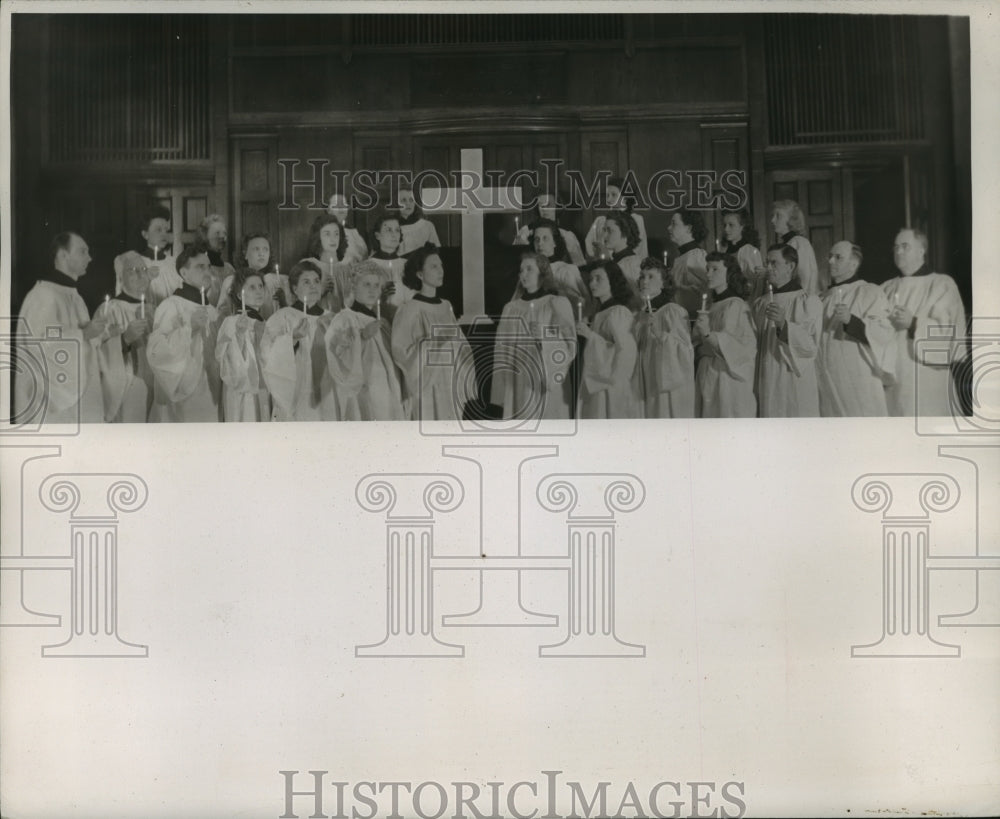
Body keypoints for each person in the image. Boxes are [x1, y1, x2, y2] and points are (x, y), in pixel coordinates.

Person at [14, 232, 106, 424]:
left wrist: (99, 334)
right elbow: (43, 337)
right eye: (83, 251)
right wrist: (83, 334)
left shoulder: (73, 295)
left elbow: (73, 334)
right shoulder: (44, 295)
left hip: (79, 393)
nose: (89, 258)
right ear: (63, 255)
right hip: (53, 401)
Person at [881, 228, 966, 416]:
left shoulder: (941, 284)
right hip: (895, 377)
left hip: (926, 377)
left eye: (905, 246)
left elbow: (949, 332)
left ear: (922, 250)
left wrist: (913, 323)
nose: (898, 251)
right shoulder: (885, 288)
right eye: (895, 247)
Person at [390, 245, 474, 421]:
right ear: (420, 274)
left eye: (441, 265)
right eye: (434, 266)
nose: (441, 271)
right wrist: (433, 343)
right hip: (427, 385)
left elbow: (460, 344)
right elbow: (401, 352)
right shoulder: (409, 309)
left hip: (449, 381)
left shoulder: (445, 305)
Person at [490, 252, 577, 421]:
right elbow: (501, 351)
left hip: (546, 381)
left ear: (542, 273)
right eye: (521, 270)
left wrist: (545, 336)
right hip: (518, 380)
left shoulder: (556, 303)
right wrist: (500, 393)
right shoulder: (510, 308)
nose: (523, 274)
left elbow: (570, 344)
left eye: (529, 269)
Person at [817, 241, 895, 417]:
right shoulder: (822, 298)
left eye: (838, 257)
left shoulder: (869, 292)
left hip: (857, 379)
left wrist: (851, 321)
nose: (830, 261)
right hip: (828, 380)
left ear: (854, 263)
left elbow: (884, 335)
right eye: (830, 256)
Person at [146, 245, 221, 422]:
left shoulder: (212, 310)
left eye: (208, 267)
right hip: (184, 392)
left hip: (212, 391)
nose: (207, 272)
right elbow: (157, 352)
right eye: (200, 267)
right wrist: (190, 327)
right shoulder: (172, 305)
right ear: (184, 273)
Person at [325, 262, 408, 421]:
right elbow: (336, 355)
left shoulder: (382, 323)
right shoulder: (345, 318)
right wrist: (362, 337)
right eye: (366, 284)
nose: (372, 290)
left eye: (376, 285)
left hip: (388, 391)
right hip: (363, 394)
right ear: (354, 286)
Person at [751, 243, 822, 417]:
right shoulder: (760, 303)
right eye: (767, 263)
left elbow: (811, 346)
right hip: (767, 377)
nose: (768, 268)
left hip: (793, 380)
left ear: (790, 266)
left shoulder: (808, 302)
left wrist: (784, 325)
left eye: (773, 263)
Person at [260, 260, 334, 422]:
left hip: (326, 388)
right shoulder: (284, 316)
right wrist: (292, 339)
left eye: (316, 281)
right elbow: (267, 354)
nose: (313, 286)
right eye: (306, 282)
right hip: (296, 388)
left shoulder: (331, 318)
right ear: (294, 289)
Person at [693, 252, 757, 418]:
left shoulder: (736, 305)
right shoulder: (712, 305)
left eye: (715, 269)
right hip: (709, 375)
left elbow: (742, 348)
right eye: (707, 269)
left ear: (730, 273)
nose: (708, 274)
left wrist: (707, 336)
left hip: (728, 379)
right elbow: (698, 344)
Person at [575, 261, 641, 419]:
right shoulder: (601, 313)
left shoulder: (618, 312)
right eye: (591, 279)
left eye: (599, 278)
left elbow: (626, 352)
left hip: (611, 387)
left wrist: (590, 336)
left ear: (613, 280)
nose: (592, 283)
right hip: (599, 384)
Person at [632, 257, 695, 418]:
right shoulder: (641, 316)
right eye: (642, 276)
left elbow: (685, 353)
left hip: (666, 387)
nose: (644, 281)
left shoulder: (672, 311)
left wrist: (661, 336)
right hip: (645, 384)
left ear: (664, 283)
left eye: (651, 277)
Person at [96, 251, 154, 423]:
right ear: (120, 278)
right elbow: (97, 354)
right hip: (127, 391)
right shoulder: (109, 309)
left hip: (157, 391)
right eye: (132, 270)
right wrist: (124, 340)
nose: (140, 274)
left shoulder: (157, 310)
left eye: (143, 269)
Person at [215, 269, 271, 422]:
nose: (259, 291)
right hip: (242, 392)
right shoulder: (232, 321)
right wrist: (239, 335)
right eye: (252, 287)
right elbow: (224, 357)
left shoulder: (265, 323)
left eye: (260, 286)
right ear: (240, 295)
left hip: (263, 390)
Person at [218, 233, 288, 319]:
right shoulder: (231, 281)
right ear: (245, 254)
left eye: (265, 249)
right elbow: (222, 315)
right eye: (256, 249)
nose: (261, 253)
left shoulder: (276, 282)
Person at [529, 218, 590, 313]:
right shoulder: (528, 271)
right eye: (536, 239)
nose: (540, 243)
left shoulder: (566, 270)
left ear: (554, 242)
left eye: (545, 238)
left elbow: (581, 306)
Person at [584, 176, 648, 259]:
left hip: (627, 265)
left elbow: (639, 249)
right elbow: (588, 243)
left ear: (625, 197)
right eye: (607, 195)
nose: (609, 200)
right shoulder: (600, 220)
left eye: (613, 195)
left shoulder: (636, 220)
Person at [514, 193, 586, 265]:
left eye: (548, 205)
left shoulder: (567, 235)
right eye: (541, 205)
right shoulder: (526, 231)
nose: (544, 209)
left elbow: (580, 266)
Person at [135, 205, 183, 307]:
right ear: (145, 234)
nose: (164, 234)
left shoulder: (174, 263)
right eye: (158, 230)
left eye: (166, 230)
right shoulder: (136, 262)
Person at [770, 200, 820, 297]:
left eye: (778, 216)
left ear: (791, 219)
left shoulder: (799, 242)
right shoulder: (788, 243)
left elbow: (805, 279)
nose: (772, 220)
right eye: (773, 216)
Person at [303, 214, 351, 313]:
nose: (333, 239)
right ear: (318, 237)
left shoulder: (348, 267)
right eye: (327, 234)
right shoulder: (309, 265)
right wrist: (320, 291)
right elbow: (301, 302)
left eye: (336, 234)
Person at [368, 212, 414, 314]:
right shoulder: (368, 266)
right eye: (388, 230)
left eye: (397, 230)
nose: (394, 234)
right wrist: (380, 298)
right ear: (377, 235)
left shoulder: (407, 264)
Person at [668, 209, 710, 317]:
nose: (669, 228)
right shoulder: (683, 256)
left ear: (689, 228)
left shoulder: (695, 255)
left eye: (674, 224)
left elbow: (705, 292)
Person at [720, 208, 765, 301]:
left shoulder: (749, 251)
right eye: (724, 225)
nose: (726, 229)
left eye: (731, 225)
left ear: (742, 226)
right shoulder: (724, 251)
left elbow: (756, 286)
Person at [195, 214, 234, 307]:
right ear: (205, 236)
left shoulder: (229, 269)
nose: (222, 237)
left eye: (224, 233)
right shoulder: (199, 268)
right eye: (217, 233)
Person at [602, 212, 643, 299]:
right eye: (604, 230)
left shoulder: (632, 264)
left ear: (625, 233)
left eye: (610, 231)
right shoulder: (616, 261)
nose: (604, 235)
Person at [396, 185, 441, 255]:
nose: (408, 203)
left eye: (411, 200)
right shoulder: (392, 227)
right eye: (403, 200)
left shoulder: (427, 226)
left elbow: (435, 253)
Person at [326, 192, 369, 263]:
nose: (341, 208)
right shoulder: (321, 233)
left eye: (344, 204)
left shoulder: (355, 234)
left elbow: (364, 258)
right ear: (328, 210)